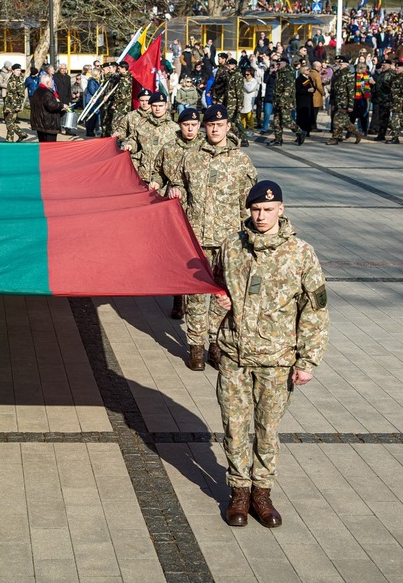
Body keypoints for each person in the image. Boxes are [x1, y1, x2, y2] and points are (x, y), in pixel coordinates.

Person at [214, 180, 329, 529]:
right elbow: (214, 282)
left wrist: (308, 361)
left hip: (277, 361)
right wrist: (222, 302)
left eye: (268, 209)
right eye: (255, 210)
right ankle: (239, 491)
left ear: (281, 209)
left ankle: (262, 493)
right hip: (234, 355)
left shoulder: (301, 253)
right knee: (234, 428)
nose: (261, 216)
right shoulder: (231, 247)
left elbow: (315, 309)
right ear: (248, 211)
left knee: (267, 431)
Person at [171, 104, 257, 370]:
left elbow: (249, 202)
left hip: (228, 241)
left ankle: (215, 345)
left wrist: (250, 238)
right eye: (210, 125)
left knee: (223, 295)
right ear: (204, 127)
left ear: (228, 126)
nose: (215, 129)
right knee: (196, 295)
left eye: (220, 125)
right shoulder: (191, 157)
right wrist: (174, 190)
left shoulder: (241, 160)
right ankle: (196, 347)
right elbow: (179, 187)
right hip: (195, 238)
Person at [150, 107, 203, 321]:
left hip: (200, 212)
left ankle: (196, 302)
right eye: (186, 125)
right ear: (179, 126)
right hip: (175, 211)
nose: (190, 129)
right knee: (179, 257)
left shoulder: (204, 149)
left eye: (194, 125)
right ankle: (178, 299)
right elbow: (158, 171)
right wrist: (157, 181)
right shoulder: (169, 148)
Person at [326, 57, 363, 145]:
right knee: (344, 121)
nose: (339, 65)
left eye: (341, 64)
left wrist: (350, 105)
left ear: (346, 65)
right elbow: (334, 89)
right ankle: (356, 133)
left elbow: (351, 91)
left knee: (337, 120)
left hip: (344, 102)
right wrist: (332, 102)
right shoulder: (337, 74)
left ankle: (335, 138)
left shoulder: (348, 74)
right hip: (337, 101)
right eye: (339, 64)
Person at [29, 70, 65, 142]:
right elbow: (51, 105)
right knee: (50, 146)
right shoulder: (46, 92)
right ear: (48, 83)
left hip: (40, 122)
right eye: (51, 82)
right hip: (48, 123)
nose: (52, 83)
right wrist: (62, 105)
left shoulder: (37, 91)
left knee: (43, 144)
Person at [2, 64, 27, 142]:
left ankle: (9, 140)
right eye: (17, 70)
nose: (18, 72)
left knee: (9, 122)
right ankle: (21, 134)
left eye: (19, 70)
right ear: (13, 71)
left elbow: (21, 95)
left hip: (14, 104)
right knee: (8, 121)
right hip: (8, 104)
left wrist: (19, 105)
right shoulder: (11, 78)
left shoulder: (20, 80)